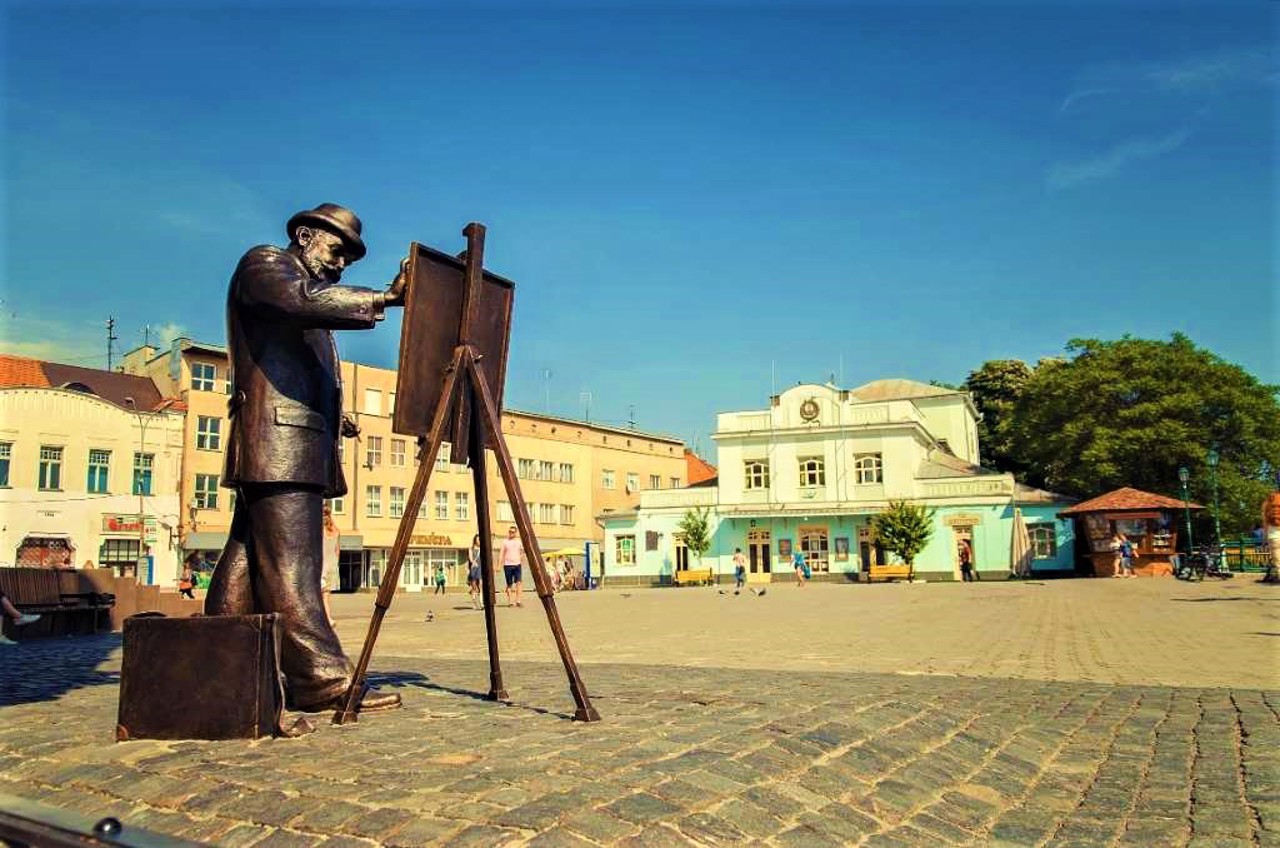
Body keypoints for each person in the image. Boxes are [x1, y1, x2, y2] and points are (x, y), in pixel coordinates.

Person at [204, 203, 407, 714]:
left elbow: (287, 367)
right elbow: (299, 300)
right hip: (280, 444)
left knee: (248, 560)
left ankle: (225, 668)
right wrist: (385, 296)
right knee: (295, 565)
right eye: (337, 251)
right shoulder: (268, 264)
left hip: (287, 441)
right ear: (304, 235)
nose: (341, 266)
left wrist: (337, 417)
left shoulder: (307, 302)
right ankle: (321, 681)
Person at [321, 504, 340, 626]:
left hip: (322, 565)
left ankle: (327, 618)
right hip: (333, 565)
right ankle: (326, 617)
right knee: (326, 595)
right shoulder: (336, 530)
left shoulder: (320, 529)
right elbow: (337, 550)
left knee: (322, 596)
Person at [500, 526, 525, 607]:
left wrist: (520, 559)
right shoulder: (505, 542)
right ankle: (510, 602)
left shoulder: (519, 542)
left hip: (517, 565)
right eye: (510, 532)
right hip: (507, 565)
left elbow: (522, 552)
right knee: (509, 584)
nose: (511, 533)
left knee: (519, 582)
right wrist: (498, 565)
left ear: (516, 533)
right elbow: (501, 554)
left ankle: (518, 601)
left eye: (513, 532)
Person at [1262, 491, 1280, 584]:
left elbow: (1265, 523)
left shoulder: (1267, 504)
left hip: (1273, 535)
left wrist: (1264, 539)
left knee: (1278, 562)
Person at [467, 535, 483, 608]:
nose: (479, 541)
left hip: (480, 568)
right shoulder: (471, 549)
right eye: (477, 539)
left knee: (480, 584)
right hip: (474, 568)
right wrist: (473, 562)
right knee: (474, 586)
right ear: (475, 540)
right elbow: (470, 558)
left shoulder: (482, 549)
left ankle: (481, 602)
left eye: (480, 539)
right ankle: (474, 602)